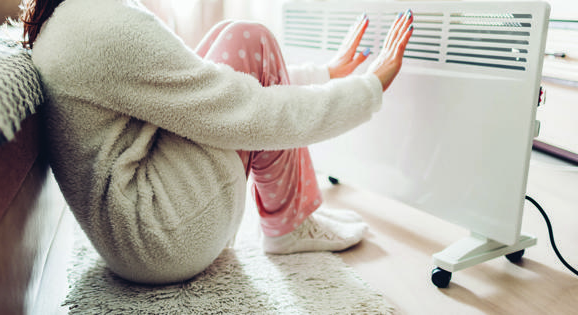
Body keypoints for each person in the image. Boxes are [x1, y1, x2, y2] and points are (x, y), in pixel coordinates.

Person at [21, 0, 413, 284]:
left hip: (131, 235)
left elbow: (191, 84)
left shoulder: (73, 16)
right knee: (249, 39)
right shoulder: (107, 24)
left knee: (238, 39)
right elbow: (245, 110)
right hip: (163, 238)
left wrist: (323, 73)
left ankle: (290, 218)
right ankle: (289, 224)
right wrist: (367, 89)